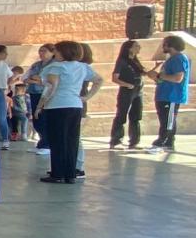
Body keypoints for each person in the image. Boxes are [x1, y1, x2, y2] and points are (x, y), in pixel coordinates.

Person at [37, 40, 98, 184]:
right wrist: (87, 97)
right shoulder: (82, 67)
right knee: (72, 140)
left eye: (56, 51)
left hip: (57, 106)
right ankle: (70, 174)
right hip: (75, 105)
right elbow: (99, 80)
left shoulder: (57, 67)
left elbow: (52, 87)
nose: (54, 54)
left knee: (57, 140)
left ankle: (57, 173)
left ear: (64, 52)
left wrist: (41, 105)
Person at [149, 34, 190, 153]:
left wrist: (160, 75)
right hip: (163, 94)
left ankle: (163, 141)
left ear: (170, 45)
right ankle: (167, 141)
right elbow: (163, 78)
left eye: (165, 44)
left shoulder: (179, 59)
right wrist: (156, 76)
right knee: (164, 118)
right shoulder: (170, 60)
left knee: (168, 119)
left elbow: (178, 78)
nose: (163, 47)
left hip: (172, 95)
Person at [109, 39, 146, 149]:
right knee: (121, 115)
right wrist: (126, 84)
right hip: (127, 91)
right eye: (136, 46)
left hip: (138, 91)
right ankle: (116, 140)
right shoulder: (122, 61)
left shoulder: (135, 61)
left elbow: (143, 73)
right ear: (129, 48)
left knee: (136, 115)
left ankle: (134, 141)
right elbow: (115, 78)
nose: (138, 48)